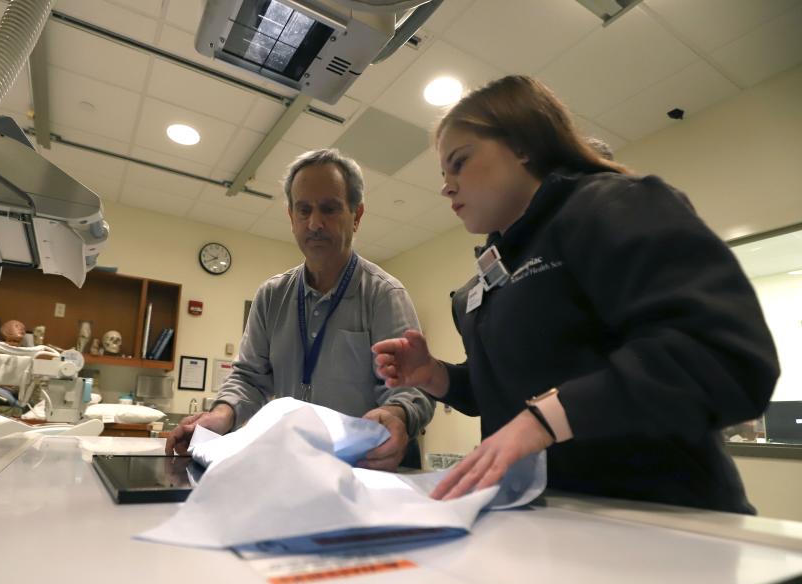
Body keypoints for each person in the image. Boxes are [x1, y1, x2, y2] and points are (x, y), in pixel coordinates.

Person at [372, 75, 778, 513]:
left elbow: (723, 356)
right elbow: (509, 392)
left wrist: (544, 420)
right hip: (556, 519)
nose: (446, 185)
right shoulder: (495, 274)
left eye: (460, 162)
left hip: (666, 520)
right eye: (443, 172)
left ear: (523, 145)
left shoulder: (612, 206)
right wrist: (434, 375)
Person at [166, 149, 435, 470]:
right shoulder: (271, 296)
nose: (315, 223)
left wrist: (396, 415)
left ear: (357, 215)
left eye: (330, 209)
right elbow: (249, 378)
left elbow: (413, 389)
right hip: (294, 467)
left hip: (365, 471)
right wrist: (221, 415)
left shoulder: (384, 295)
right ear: (291, 216)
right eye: (303, 209)